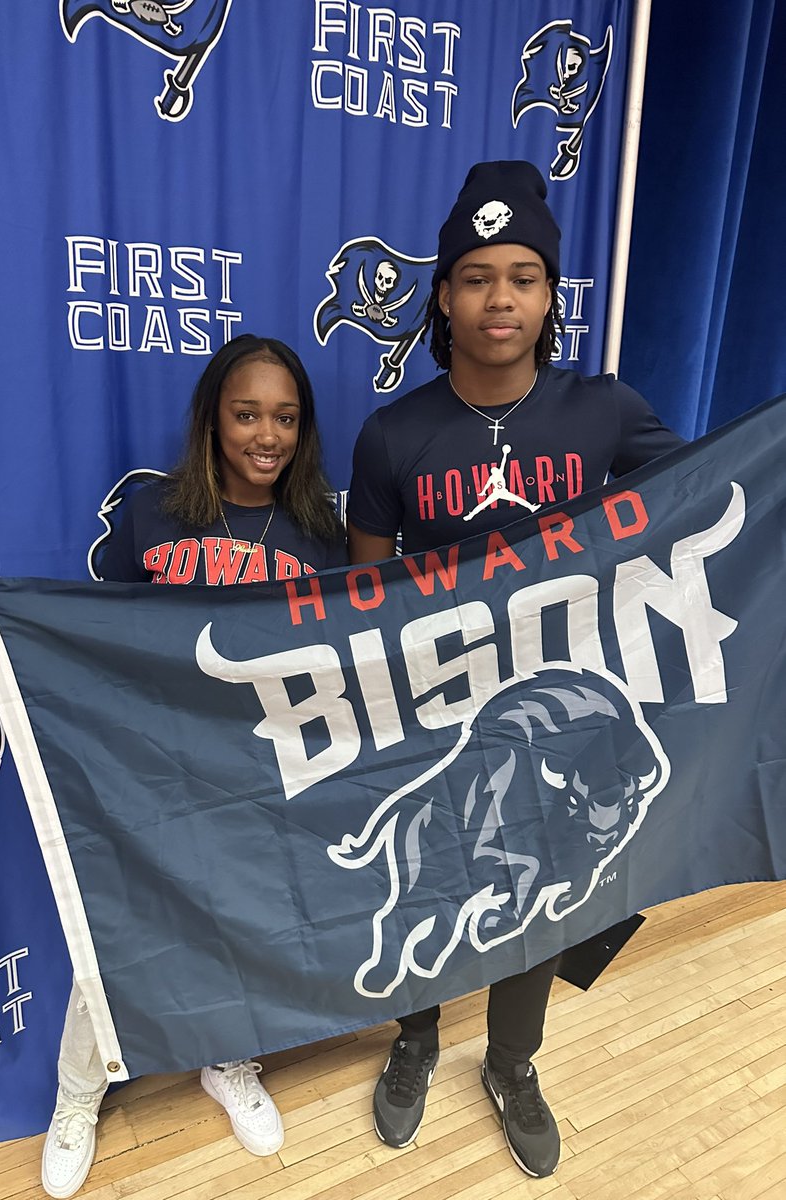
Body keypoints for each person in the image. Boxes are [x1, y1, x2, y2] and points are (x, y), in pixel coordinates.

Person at [0, 333, 347, 1199]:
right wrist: (2, 616)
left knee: (239, 923)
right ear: (212, 420)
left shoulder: (321, 533)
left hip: (259, 770)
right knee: (120, 933)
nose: (267, 436)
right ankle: (78, 1096)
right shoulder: (155, 515)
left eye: (285, 418)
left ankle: (227, 1059)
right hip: (153, 767)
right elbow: (99, 633)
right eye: (247, 414)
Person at [346, 161, 683, 1178]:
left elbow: (707, 495)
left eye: (524, 277)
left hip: (563, 706)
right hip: (439, 705)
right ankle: (415, 1037)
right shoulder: (394, 434)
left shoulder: (602, 409)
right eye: (478, 277)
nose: (501, 299)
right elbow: (363, 593)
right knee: (435, 868)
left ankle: (511, 1062)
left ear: (549, 296)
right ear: (443, 297)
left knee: (549, 879)